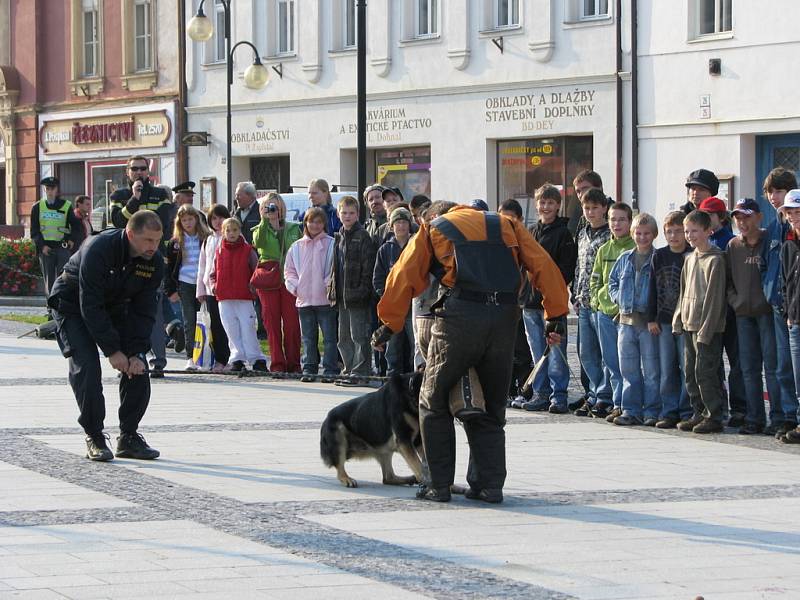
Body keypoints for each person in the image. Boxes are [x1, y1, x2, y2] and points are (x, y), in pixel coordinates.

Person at [373, 202, 569, 504]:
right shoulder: (508, 225)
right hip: (505, 318)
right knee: (492, 406)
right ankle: (488, 485)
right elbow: (543, 265)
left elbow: (403, 275)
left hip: (459, 318)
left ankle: (437, 484)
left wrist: (389, 324)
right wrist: (554, 313)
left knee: (433, 399)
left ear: (441, 214)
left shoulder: (433, 228)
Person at [48, 210, 164, 462]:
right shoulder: (98, 248)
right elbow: (89, 305)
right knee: (87, 367)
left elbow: (144, 311)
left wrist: (134, 352)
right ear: (131, 234)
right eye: (148, 240)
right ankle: (95, 435)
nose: (153, 247)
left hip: (114, 307)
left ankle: (129, 437)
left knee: (139, 367)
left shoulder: (154, 262)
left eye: (157, 240)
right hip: (72, 305)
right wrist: (112, 351)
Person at [517, 184, 576, 413]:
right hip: (530, 302)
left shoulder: (564, 234)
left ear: (558, 205)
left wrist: (550, 286)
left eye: (551, 203)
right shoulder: (529, 232)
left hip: (553, 303)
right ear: (536, 204)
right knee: (537, 350)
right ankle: (540, 392)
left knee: (555, 351)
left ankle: (558, 395)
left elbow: (566, 270)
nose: (546, 206)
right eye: (542, 202)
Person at [726, 198, 783, 435]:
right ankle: (754, 417)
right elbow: (727, 281)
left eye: (747, 217)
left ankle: (778, 417)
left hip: (766, 313)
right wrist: (735, 301)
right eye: (738, 218)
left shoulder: (768, 241)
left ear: (759, 217)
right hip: (743, 315)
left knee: (772, 367)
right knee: (748, 368)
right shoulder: (733, 246)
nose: (742, 222)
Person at [673, 210, 727, 434]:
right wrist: (679, 318)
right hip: (689, 324)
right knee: (690, 371)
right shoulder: (689, 258)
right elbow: (683, 291)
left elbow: (715, 300)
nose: (690, 235)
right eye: (687, 231)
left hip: (708, 328)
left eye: (695, 231)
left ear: (708, 231)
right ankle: (698, 411)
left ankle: (714, 414)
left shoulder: (715, 260)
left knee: (705, 372)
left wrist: (706, 330)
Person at [698, 196, 746, 427]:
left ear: (721, 218)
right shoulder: (701, 241)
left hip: (730, 312)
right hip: (709, 313)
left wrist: (734, 302)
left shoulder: (730, 242)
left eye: (710, 215)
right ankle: (718, 406)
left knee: (737, 362)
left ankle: (739, 408)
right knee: (713, 363)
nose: (707, 219)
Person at [608, 213, 660, 426]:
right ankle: (630, 409)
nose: (642, 237)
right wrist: (620, 298)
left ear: (654, 235)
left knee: (651, 371)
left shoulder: (658, 258)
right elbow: (611, 282)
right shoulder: (624, 258)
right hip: (625, 322)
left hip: (648, 324)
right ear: (633, 233)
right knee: (627, 369)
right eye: (638, 233)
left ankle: (652, 410)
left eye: (647, 233)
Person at [761, 168, 799, 439]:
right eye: (770, 192)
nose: (773, 197)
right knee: (781, 365)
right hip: (780, 305)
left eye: (779, 191)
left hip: (793, 308)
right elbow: (772, 265)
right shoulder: (774, 226)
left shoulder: (789, 227)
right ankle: (787, 416)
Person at [589, 202, 635, 421]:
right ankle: (617, 403)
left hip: (626, 315)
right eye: (613, 219)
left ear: (629, 221)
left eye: (621, 219)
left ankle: (630, 404)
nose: (617, 224)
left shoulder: (634, 247)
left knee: (628, 362)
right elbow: (595, 278)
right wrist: (597, 301)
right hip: (604, 313)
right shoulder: (604, 249)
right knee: (611, 362)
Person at [646, 211, 693, 429]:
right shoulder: (660, 255)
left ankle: (687, 410)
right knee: (666, 368)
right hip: (663, 320)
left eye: (678, 231)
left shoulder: (692, 255)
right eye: (669, 232)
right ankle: (669, 410)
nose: (674, 236)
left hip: (686, 321)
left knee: (686, 368)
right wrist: (651, 317)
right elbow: (652, 288)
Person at [284, 207, 339, 383]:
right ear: (305, 223)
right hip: (304, 300)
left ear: (323, 224)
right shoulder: (296, 246)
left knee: (330, 338)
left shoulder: (332, 243)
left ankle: (330, 369)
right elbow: (289, 271)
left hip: (325, 300)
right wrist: (295, 287)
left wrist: (327, 285)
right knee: (308, 338)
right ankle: (310, 368)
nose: (315, 225)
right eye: (311, 221)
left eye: (319, 222)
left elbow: (335, 269)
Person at [571, 188, 613, 417]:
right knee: (585, 353)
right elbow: (580, 265)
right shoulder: (582, 233)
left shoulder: (609, 234)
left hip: (601, 303)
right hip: (583, 301)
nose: (590, 212)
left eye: (595, 208)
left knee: (605, 353)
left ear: (604, 208)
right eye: (587, 208)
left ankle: (605, 396)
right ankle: (595, 392)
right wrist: (575, 293)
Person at [252, 193, 302, 373]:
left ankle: (294, 364)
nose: (272, 210)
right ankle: (277, 364)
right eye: (268, 206)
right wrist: (266, 221)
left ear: (282, 208)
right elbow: (259, 243)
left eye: (275, 206)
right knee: (271, 324)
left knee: (292, 324)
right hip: (269, 279)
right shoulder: (259, 229)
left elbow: (297, 250)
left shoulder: (294, 228)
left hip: (289, 278)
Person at [211, 218, 268, 373]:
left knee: (248, 327)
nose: (231, 233)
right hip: (224, 296)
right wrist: (213, 285)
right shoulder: (219, 251)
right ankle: (237, 358)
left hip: (244, 296)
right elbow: (213, 272)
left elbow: (257, 269)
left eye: (235, 230)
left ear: (239, 231)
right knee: (231, 328)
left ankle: (256, 358)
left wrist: (252, 285)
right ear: (223, 232)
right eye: (228, 230)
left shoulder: (248, 250)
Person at [332, 195, 377, 386]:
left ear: (358, 214)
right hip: (342, 295)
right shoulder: (339, 235)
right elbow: (335, 266)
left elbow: (369, 268)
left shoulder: (363, 236)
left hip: (358, 295)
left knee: (359, 336)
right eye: (344, 213)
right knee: (343, 337)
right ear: (338, 214)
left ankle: (361, 372)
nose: (347, 216)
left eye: (351, 213)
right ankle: (348, 369)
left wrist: (363, 291)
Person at [165, 204, 210, 370]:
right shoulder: (175, 242)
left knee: (206, 319)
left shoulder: (206, 237)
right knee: (189, 320)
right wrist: (170, 290)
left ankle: (206, 356)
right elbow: (169, 268)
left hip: (203, 283)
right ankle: (190, 356)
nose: (188, 223)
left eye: (190, 219)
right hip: (185, 282)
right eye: (184, 220)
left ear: (196, 219)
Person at [373, 207, 415, 376]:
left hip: (413, 305)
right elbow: (377, 277)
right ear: (391, 226)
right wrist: (386, 296)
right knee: (393, 346)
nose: (401, 226)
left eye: (404, 222)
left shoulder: (416, 246)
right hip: (394, 308)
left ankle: (415, 377)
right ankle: (392, 377)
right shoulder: (385, 249)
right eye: (397, 222)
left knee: (416, 345)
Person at [30, 176, 81, 300]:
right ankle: (51, 308)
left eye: (52, 188)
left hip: (62, 247)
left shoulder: (66, 205)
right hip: (46, 249)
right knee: (49, 280)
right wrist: (42, 246)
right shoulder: (37, 207)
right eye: (47, 189)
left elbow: (76, 226)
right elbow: (34, 231)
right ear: (44, 190)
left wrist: (71, 239)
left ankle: (63, 305)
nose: (50, 191)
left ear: (57, 190)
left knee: (64, 278)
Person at [196, 204, 232, 372]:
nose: (218, 222)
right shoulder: (208, 240)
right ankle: (220, 359)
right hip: (211, 289)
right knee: (215, 326)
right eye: (214, 219)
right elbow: (202, 266)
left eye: (221, 217)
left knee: (230, 325)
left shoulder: (232, 236)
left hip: (229, 290)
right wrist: (200, 290)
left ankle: (233, 357)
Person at [779, 190, 800, 444]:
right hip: (795, 320)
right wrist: (788, 313)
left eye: (798, 211)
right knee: (797, 377)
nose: (794, 216)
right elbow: (785, 283)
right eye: (790, 212)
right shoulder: (788, 245)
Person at [109, 156, 173, 233]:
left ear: (148, 171)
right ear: (127, 172)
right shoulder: (118, 195)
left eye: (143, 169)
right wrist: (135, 198)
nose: (139, 172)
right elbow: (118, 222)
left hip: (154, 243)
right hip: (127, 244)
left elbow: (164, 221)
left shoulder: (161, 194)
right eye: (134, 169)